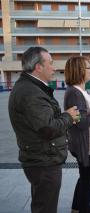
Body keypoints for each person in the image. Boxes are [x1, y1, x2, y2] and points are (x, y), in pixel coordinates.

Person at [8, 46, 79, 213]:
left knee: (42, 202)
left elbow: (43, 121)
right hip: (43, 161)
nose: (54, 68)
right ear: (38, 67)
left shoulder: (30, 87)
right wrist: (68, 116)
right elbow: (48, 128)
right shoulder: (31, 92)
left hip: (41, 158)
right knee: (45, 207)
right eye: (50, 63)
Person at [64, 56, 90, 213]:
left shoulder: (80, 91)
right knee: (88, 181)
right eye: (88, 67)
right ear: (79, 70)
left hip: (88, 143)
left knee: (85, 179)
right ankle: (83, 209)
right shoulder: (75, 93)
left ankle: (77, 208)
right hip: (84, 145)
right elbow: (80, 122)